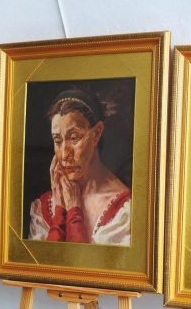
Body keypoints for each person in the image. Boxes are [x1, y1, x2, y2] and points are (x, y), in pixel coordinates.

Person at [28, 89, 131, 246]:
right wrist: (60, 211)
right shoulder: (44, 207)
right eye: (57, 141)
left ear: (96, 134)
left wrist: (73, 209)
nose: (64, 154)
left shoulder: (124, 212)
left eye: (74, 138)